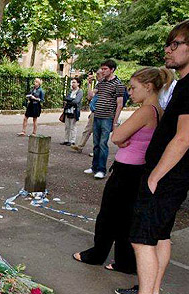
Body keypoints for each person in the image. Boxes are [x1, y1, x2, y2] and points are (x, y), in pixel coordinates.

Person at [106, 19, 189, 294]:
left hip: (165, 175)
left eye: (176, 44)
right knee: (159, 235)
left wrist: (156, 174)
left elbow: (184, 136)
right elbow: (186, 134)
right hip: (174, 171)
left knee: (142, 236)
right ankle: (150, 290)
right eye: (169, 44)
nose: (169, 50)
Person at [73, 67, 171, 274]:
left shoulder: (145, 110)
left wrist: (122, 136)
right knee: (126, 218)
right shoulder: (160, 111)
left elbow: (116, 136)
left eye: (134, 88)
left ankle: (98, 254)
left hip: (127, 170)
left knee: (108, 216)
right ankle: (124, 261)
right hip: (139, 169)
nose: (130, 92)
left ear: (148, 87)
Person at [85, 59, 125, 180]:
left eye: (105, 69)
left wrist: (115, 121)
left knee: (103, 144)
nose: (102, 71)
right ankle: (94, 166)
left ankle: (102, 169)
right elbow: (90, 96)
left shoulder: (118, 84)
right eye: (101, 68)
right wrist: (89, 84)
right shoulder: (101, 83)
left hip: (107, 117)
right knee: (96, 143)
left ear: (112, 70)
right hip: (97, 116)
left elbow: (120, 104)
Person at [72, 70, 101, 154]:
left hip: (100, 111)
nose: (97, 76)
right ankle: (80, 146)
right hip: (94, 111)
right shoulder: (97, 84)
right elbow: (89, 96)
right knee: (88, 129)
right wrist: (89, 84)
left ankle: (97, 151)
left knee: (98, 132)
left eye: (98, 74)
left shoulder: (102, 84)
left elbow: (91, 95)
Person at [62, 78, 84, 145]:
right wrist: (71, 100)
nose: (72, 84)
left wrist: (69, 101)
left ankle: (72, 141)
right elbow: (65, 98)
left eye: (74, 82)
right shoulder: (70, 91)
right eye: (72, 82)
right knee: (67, 126)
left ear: (78, 83)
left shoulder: (80, 91)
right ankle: (66, 140)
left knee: (73, 126)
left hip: (74, 111)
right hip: (67, 110)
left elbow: (76, 101)